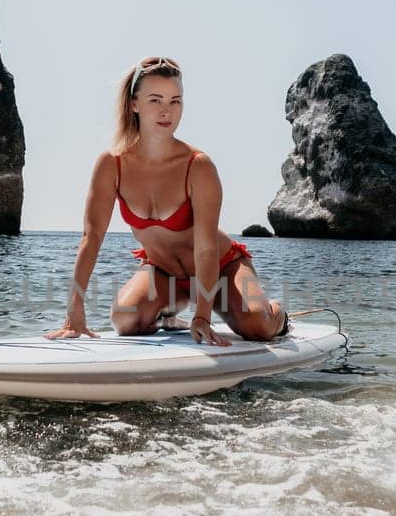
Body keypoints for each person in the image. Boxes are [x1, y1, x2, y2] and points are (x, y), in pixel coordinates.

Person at [45, 56, 287, 346]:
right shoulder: (112, 165)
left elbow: (208, 248)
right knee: (126, 319)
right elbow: (92, 236)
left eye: (175, 101)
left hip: (221, 268)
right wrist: (75, 312)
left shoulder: (198, 166)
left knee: (258, 326)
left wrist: (203, 317)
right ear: (134, 104)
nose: (166, 111)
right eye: (155, 100)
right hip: (164, 274)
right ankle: (168, 314)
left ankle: (280, 314)